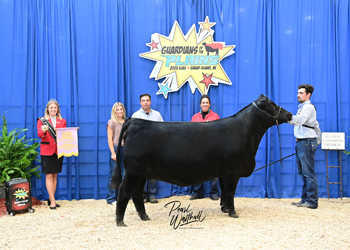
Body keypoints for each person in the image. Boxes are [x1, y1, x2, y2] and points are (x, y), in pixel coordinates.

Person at [288, 84, 321, 209]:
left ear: (308, 95)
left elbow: (300, 120)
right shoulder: (303, 107)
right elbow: (316, 126)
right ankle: (305, 199)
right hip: (303, 142)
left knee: (308, 174)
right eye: (298, 93)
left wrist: (286, 117)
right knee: (303, 173)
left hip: (306, 142)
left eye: (301, 93)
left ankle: (312, 201)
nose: (298, 95)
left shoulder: (308, 108)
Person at [132, 93, 163, 203]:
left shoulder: (157, 115)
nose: (145, 102)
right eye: (143, 101)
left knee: (152, 172)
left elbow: (163, 130)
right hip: (140, 149)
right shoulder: (135, 116)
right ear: (140, 102)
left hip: (154, 148)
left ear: (150, 102)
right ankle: (142, 195)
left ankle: (152, 195)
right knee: (140, 172)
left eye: (147, 100)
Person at [189, 95, 220, 201]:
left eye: (207, 102)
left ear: (209, 104)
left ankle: (214, 193)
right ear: (200, 104)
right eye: (203, 103)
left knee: (214, 170)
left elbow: (218, 132)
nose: (205, 104)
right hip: (198, 148)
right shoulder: (195, 117)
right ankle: (198, 192)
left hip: (212, 147)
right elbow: (191, 133)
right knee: (197, 170)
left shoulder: (215, 116)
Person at [37, 99, 67, 210]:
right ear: (48, 109)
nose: (53, 109)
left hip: (58, 151)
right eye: (51, 108)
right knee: (49, 175)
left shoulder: (62, 121)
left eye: (55, 108)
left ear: (57, 109)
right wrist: (44, 131)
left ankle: (51, 197)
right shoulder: (42, 120)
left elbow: (64, 136)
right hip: (47, 151)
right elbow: (40, 135)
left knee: (55, 175)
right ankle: (53, 200)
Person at [106, 102, 126, 205]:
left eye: (121, 109)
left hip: (125, 148)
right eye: (117, 110)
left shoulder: (126, 121)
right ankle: (111, 198)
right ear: (114, 111)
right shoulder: (111, 122)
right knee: (113, 174)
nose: (119, 111)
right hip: (115, 148)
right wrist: (113, 152)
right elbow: (109, 138)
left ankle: (121, 197)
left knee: (124, 174)